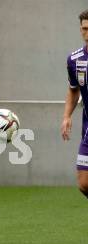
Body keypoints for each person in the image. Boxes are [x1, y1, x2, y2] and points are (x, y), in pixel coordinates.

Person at [61, 10, 88, 197]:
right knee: (84, 183)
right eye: (84, 29)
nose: (87, 32)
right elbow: (73, 89)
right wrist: (66, 116)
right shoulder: (75, 60)